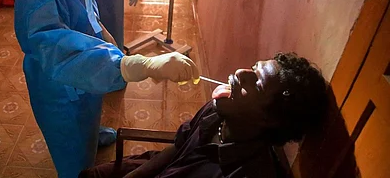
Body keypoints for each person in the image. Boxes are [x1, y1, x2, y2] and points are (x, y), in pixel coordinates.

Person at [13, 0, 200, 178]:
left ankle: (93, 134)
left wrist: (104, 35)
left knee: (90, 105)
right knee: (71, 143)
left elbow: (86, 10)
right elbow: (59, 52)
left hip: (88, 67)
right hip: (58, 83)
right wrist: (136, 64)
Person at [79, 52, 329, 178]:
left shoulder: (247, 173)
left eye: (257, 83)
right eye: (253, 68)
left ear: (270, 119)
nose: (241, 73)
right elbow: (178, 147)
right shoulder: (218, 111)